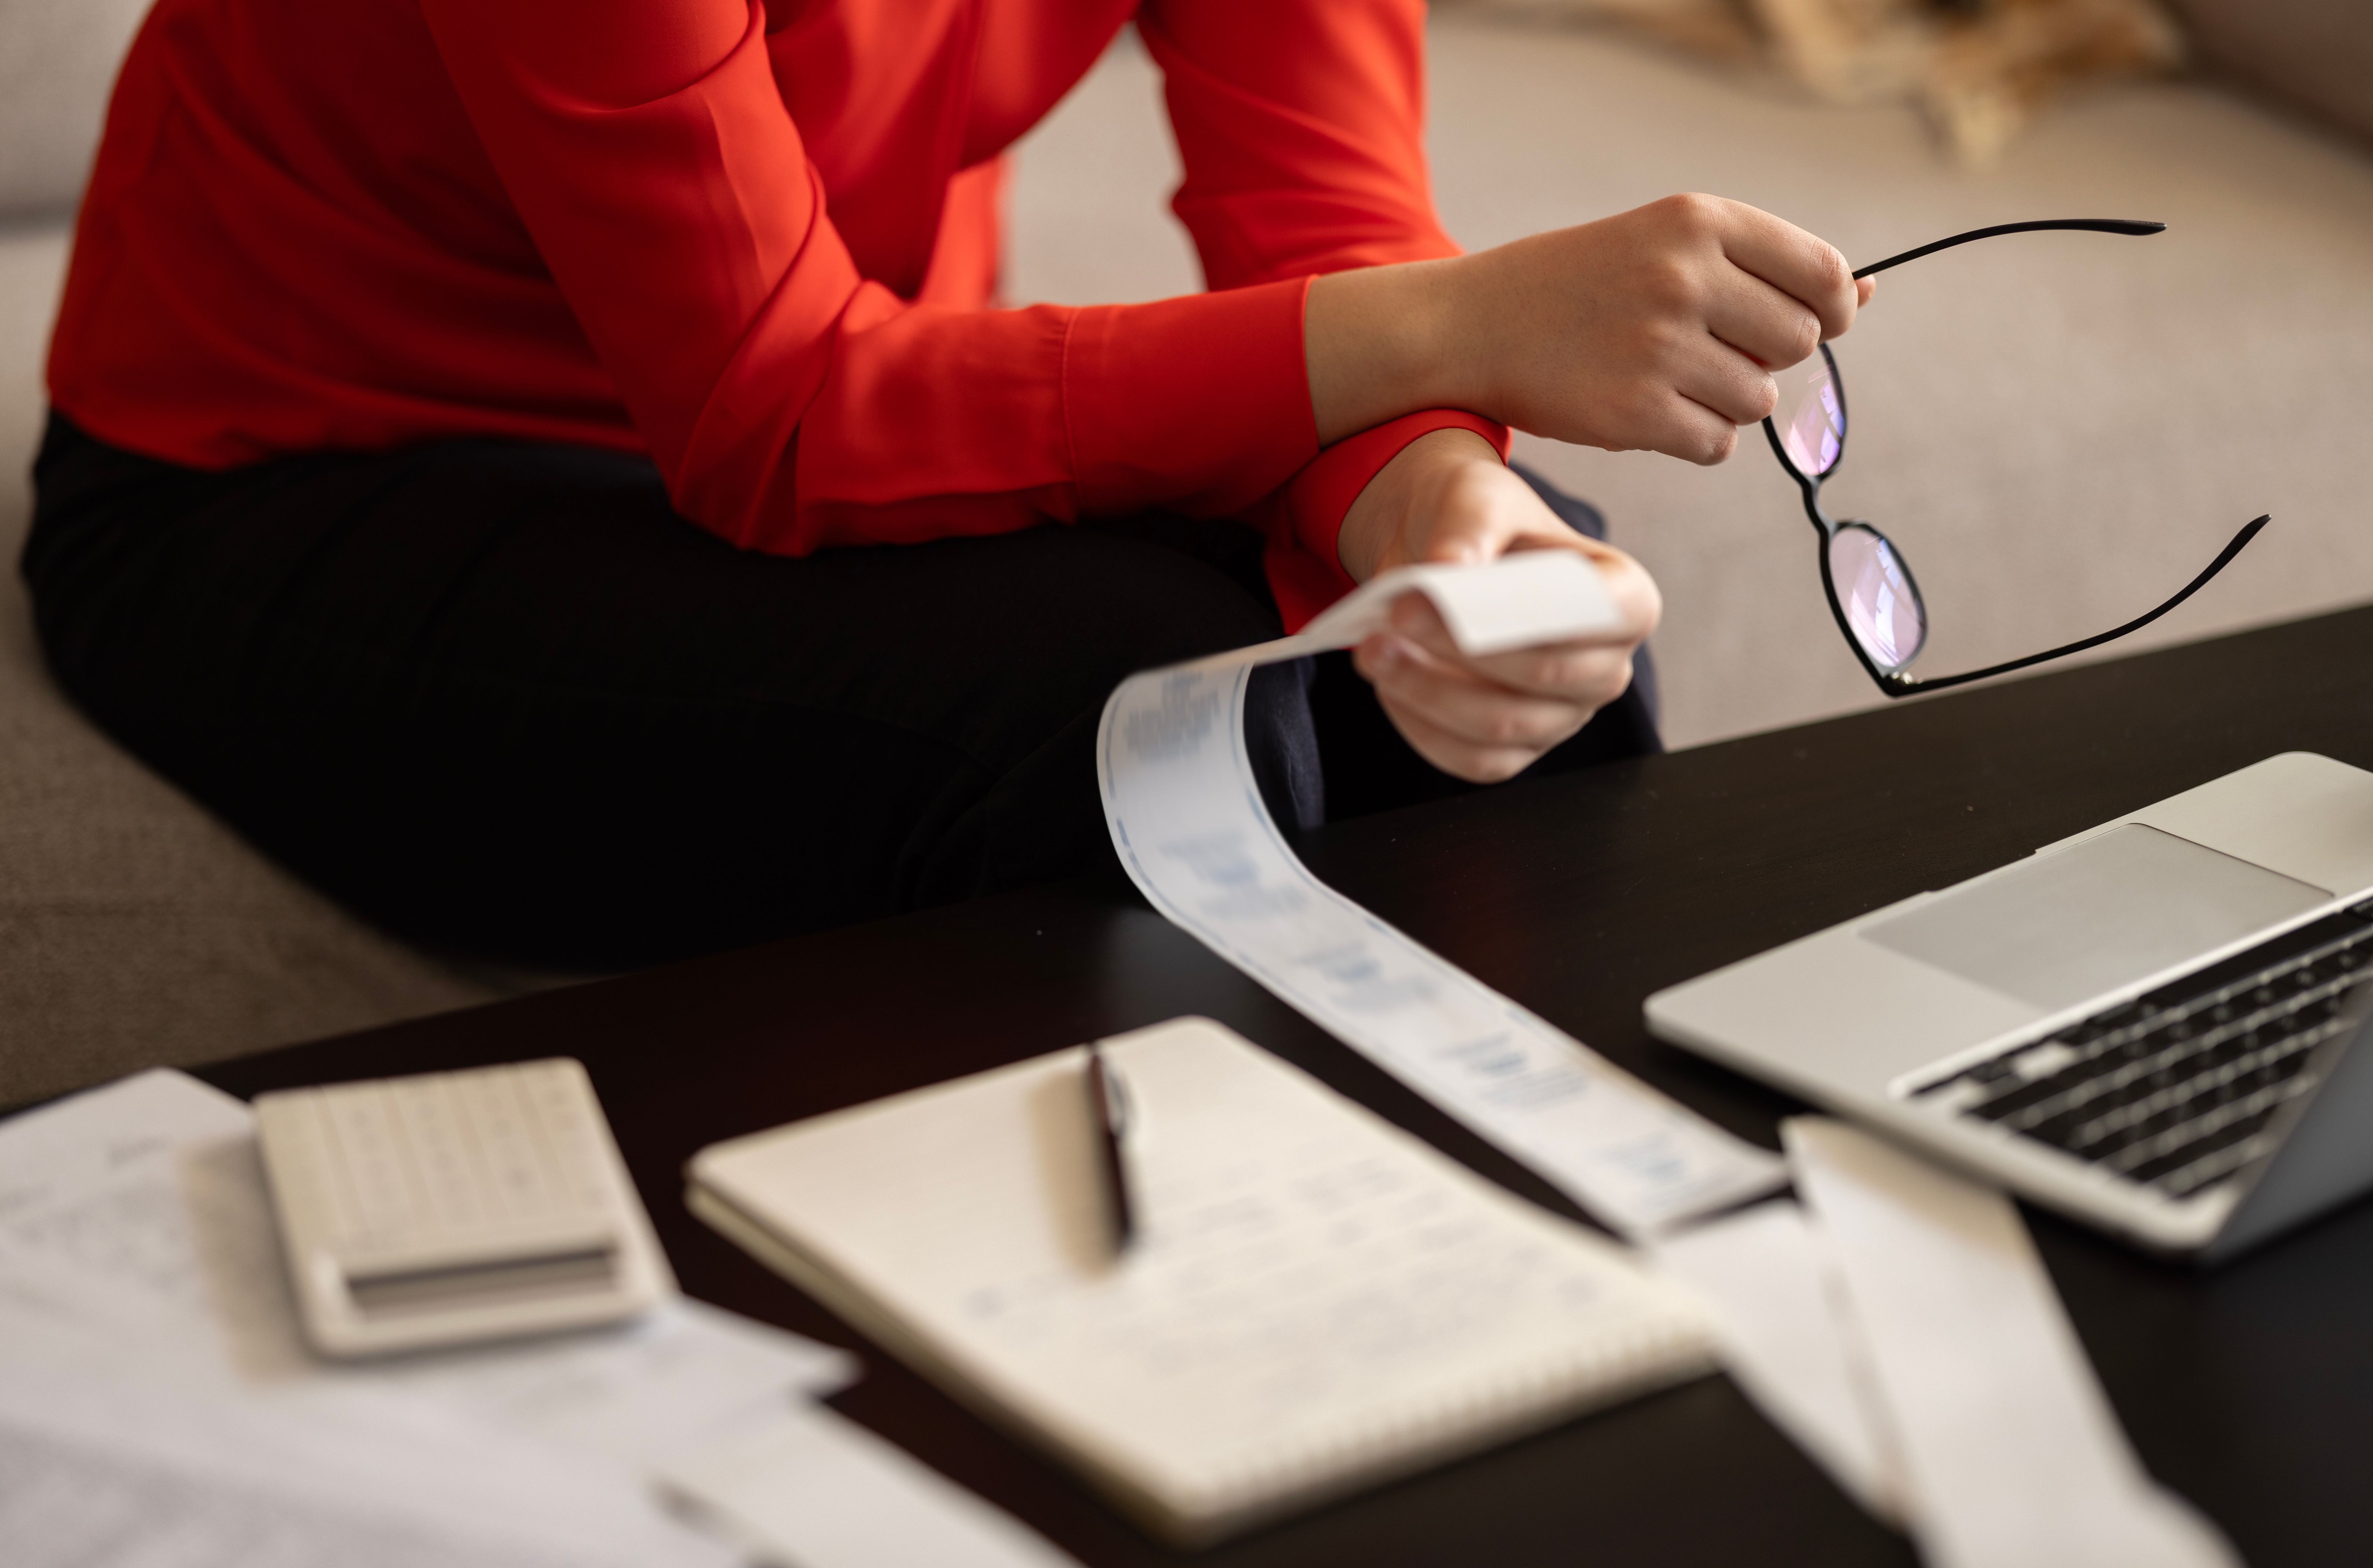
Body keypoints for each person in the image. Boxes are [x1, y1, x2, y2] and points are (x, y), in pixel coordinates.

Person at [26, 0, 1871, 972]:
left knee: (1522, 635)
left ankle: (1564, 1310)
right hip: (296, 482)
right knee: (1114, 719)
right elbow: (777, 410)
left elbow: (1317, 207)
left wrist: (1429, 497)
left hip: (853, 403)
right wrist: (1462, 324)